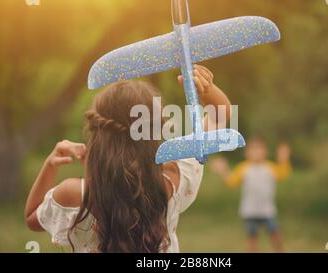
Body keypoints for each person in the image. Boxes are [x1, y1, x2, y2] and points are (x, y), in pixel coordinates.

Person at [24, 65, 232, 253]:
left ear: (98, 136)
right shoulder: (172, 180)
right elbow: (219, 118)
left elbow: (33, 218)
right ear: (156, 131)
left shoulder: (73, 194)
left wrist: (50, 164)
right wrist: (208, 89)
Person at [210, 137, 292, 252]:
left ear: (266, 152)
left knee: (275, 236)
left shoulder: (270, 167)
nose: (256, 152)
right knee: (252, 239)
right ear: (246, 153)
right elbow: (231, 181)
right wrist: (223, 170)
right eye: (253, 150)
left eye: (259, 149)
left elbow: (283, 173)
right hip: (249, 211)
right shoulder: (243, 168)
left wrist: (284, 159)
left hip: (268, 210)